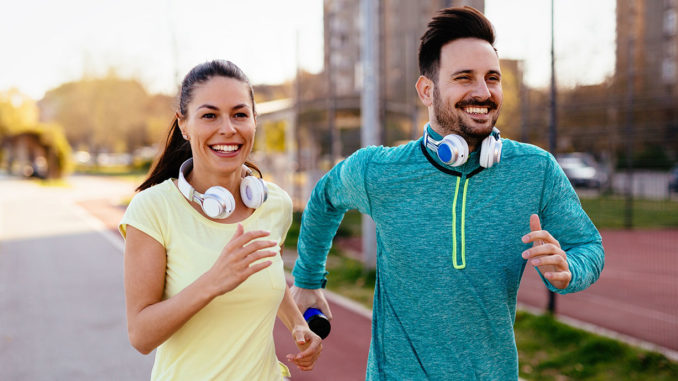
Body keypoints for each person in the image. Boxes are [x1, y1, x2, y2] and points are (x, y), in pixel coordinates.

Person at [291, 6, 604, 380]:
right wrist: (308, 279)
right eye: (464, 78)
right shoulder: (378, 170)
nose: (483, 92)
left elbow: (589, 246)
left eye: (492, 78)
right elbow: (324, 199)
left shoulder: (535, 170)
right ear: (427, 90)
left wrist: (570, 270)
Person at [119, 60, 322, 380]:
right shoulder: (152, 209)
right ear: (184, 124)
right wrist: (213, 281)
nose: (228, 128)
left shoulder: (275, 204)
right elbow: (141, 336)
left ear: (255, 121)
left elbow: (264, 273)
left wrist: (297, 322)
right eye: (210, 115)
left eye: (240, 114)